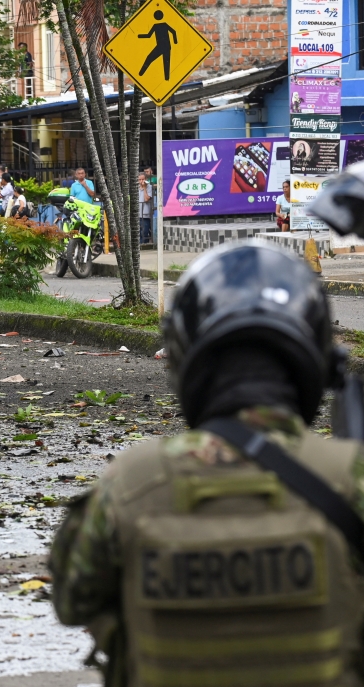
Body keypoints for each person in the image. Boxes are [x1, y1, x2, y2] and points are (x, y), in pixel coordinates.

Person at [51, 241, 364, 687]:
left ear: (182, 361)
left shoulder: (131, 483)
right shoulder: (350, 477)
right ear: (317, 361)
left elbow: (72, 602)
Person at [138, 172, 153, 244]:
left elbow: (146, 199)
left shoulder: (149, 187)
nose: (141, 181)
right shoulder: (137, 187)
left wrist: (144, 188)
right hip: (137, 213)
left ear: (146, 179)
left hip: (145, 214)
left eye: (143, 179)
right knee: (138, 233)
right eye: (140, 179)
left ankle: (144, 245)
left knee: (144, 232)